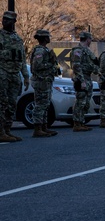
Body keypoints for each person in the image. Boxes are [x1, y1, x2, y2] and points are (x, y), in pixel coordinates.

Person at [0, 11, 29, 143]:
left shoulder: (18, 39)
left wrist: (26, 76)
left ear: (13, 22)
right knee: (2, 103)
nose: (5, 22)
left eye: (8, 20)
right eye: (4, 19)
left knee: (12, 103)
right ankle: (1, 131)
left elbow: (22, 59)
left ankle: (7, 130)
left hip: (15, 74)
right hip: (3, 72)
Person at [29, 29, 60, 137]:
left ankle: (44, 127)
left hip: (46, 81)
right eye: (48, 37)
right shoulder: (40, 51)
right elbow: (36, 66)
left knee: (45, 104)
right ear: (44, 38)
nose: (49, 38)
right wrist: (50, 64)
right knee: (40, 105)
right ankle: (37, 128)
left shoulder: (45, 50)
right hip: (41, 81)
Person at [70, 31, 98, 132]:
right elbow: (76, 66)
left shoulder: (87, 51)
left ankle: (81, 122)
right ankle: (77, 123)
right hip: (81, 79)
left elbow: (92, 64)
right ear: (87, 39)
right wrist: (82, 81)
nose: (91, 41)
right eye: (90, 39)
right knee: (80, 102)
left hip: (87, 78)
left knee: (85, 102)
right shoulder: (78, 50)